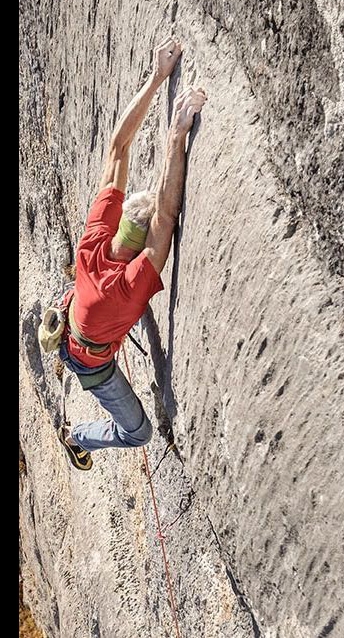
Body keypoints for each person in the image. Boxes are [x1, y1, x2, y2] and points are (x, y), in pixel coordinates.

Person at [56, 37, 207, 470]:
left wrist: (158, 76)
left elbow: (117, 148)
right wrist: (176, 135)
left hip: (80, 318)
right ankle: (78, 437)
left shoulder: (93, 244)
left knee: (102, 306)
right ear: (140, 258)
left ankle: (71, 317)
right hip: (91, 365)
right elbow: (166, 215)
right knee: (137, 432)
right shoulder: (127, 290)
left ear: (120, 221)